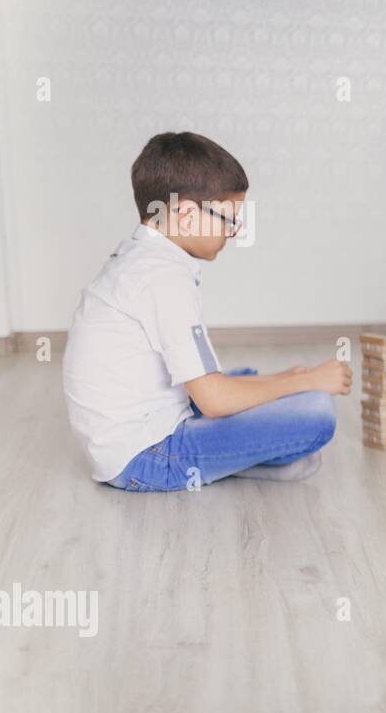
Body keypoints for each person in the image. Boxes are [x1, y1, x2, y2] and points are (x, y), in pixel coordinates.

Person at [62, 132, 351, 491]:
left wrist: (285, 379)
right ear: (185, 216)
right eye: (228, 218)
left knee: (247, 376)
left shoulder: (141, 257)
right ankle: (231, 461)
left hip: (132, 435)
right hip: (147, 456)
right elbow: (213, 401)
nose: (235, 230)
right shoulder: (164, 280)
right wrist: (304, 382)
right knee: (317, 413)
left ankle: (238, 456)